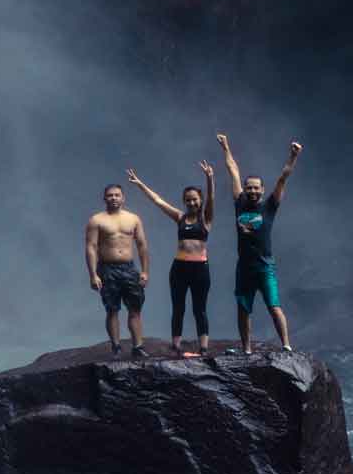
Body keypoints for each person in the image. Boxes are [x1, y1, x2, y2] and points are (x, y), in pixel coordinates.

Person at [216, 133, 302, 353]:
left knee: (274, 306)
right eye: (249, 187)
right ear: (245, 190)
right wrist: (226, 146)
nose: (252, 190)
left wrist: (293, 156)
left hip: (265, 264)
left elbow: (283, 178)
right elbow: (233, 170)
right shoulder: (239, 203)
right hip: (244, 266)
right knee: (243, 308)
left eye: (256, 188)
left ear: (262, 190)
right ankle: (246, 349)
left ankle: (286, 345)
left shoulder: (269, 206)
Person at [125, 161, 215, 355]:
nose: (192, 203)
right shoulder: (180, 217)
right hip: (179, 269)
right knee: (178, 307)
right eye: (188, 200)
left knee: (200, 308)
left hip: (200, 269)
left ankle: (204, 347)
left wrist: (210, 178)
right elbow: (158, 201)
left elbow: (211, 198)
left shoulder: (205, 219)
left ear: (200, 201)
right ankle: (176, 344)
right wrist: (140, 183)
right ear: (184, 202)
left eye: (195, 200)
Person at [84, 183, 149, 359]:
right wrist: (93, 275)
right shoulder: (97, 220)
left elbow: (142, 245)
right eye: (110, 195)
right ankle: (116, 347)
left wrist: (144, 271)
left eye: (117, 195)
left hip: (128, 268)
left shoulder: (133, 219)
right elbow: (91, 247)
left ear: (123, 198)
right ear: (104, 198)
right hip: (107, 269)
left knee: (135, 309)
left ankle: (138, 346)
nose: (114, 198)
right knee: (112, 309)